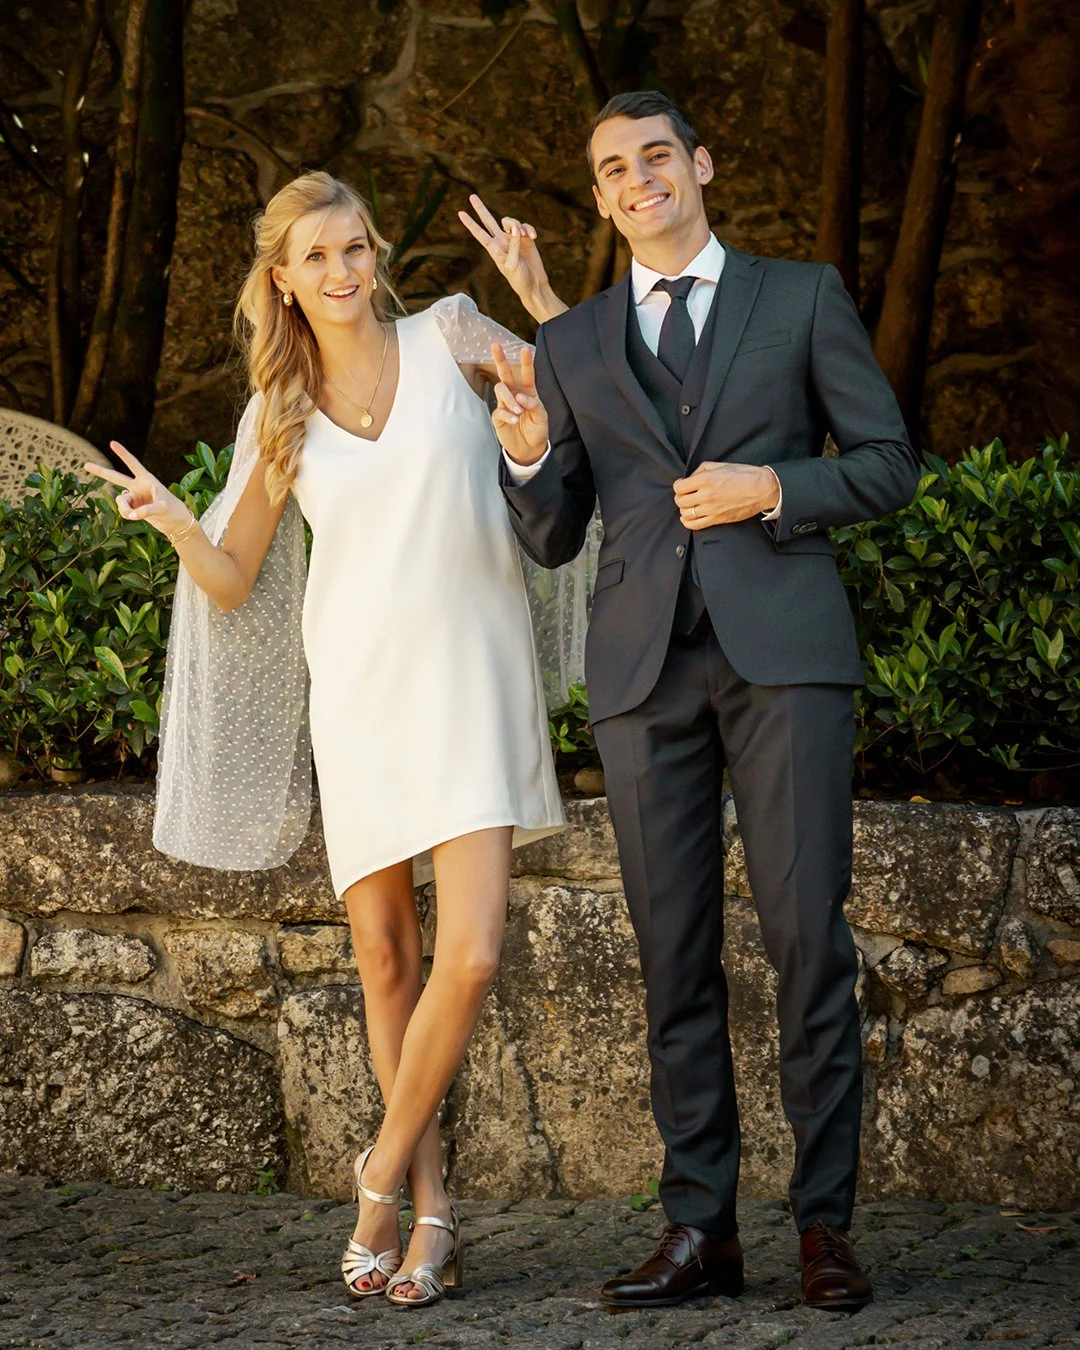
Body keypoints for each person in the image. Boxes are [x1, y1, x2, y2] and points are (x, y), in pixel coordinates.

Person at [82, 171, 568, 1309]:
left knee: (476, 953)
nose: (344, 271)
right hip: (358, 695)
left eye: (356, 248)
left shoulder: (452, 336)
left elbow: (572, 390)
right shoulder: (279, 411)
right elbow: (235, 574)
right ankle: (433, 1216)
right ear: (282, 281)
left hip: (475, 677)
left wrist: (540, 312)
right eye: (317, 257)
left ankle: (376, 1178)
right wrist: (170, 523)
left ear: (376, 253)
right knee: (389, 963)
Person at [478, 90, 921, 1312]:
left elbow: (889, 465)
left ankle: (824, 1229)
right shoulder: (573, 343)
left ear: (700, 164)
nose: (637, 179)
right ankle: (699, 1231)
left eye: (655, 155)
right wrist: (522, 450)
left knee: (805, 942)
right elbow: (556, 532)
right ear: (604, 194)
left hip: (785, 661)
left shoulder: (803, 295)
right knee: (672, 957)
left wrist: (770, 488)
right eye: (613, 168)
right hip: (641, 673)